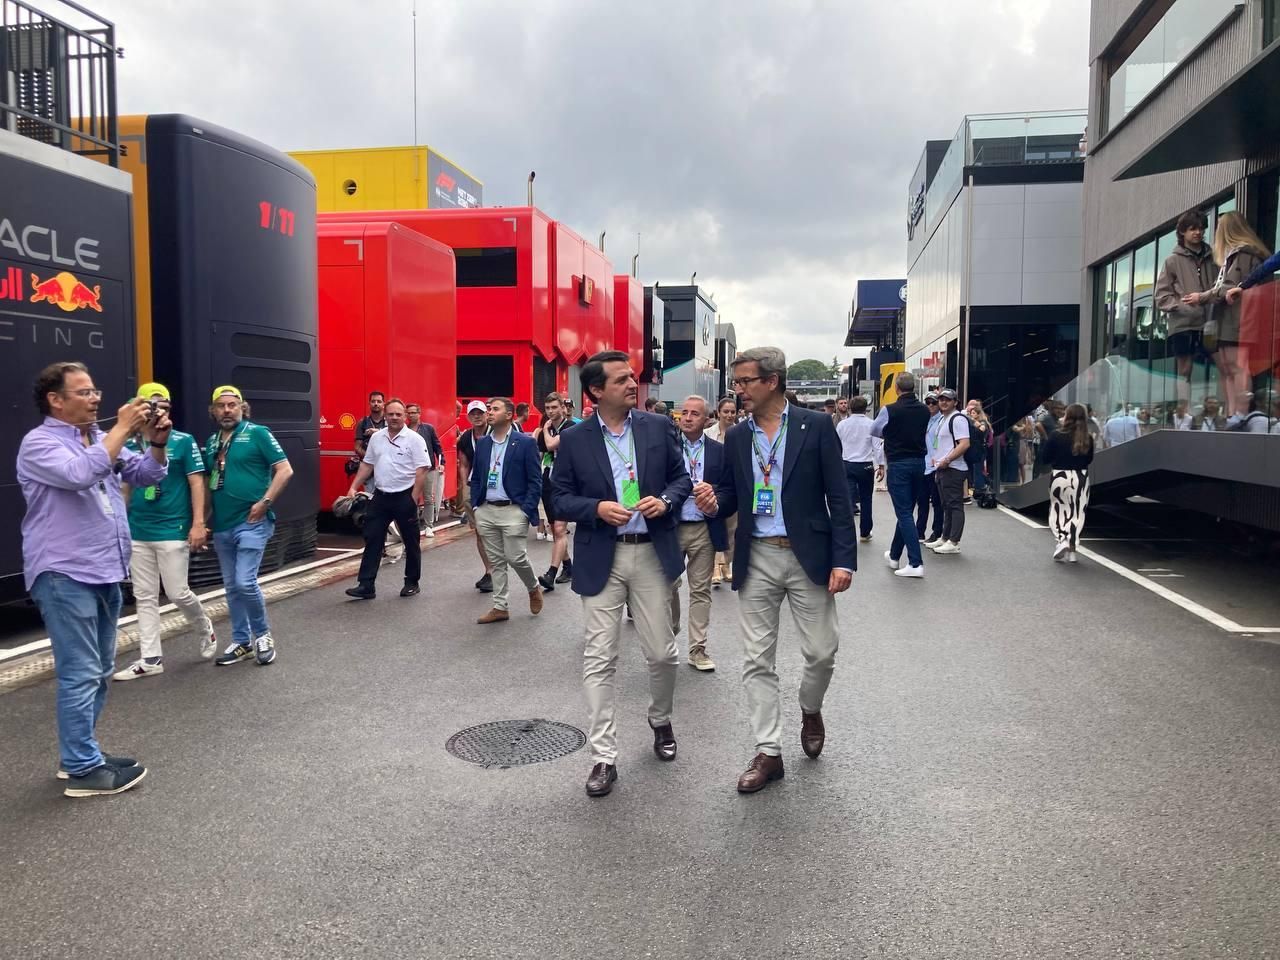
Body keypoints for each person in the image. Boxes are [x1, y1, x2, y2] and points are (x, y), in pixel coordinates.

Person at [700, 346, 855, 794]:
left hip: (809, 555)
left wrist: (844, 559)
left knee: (823, 651)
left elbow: (839, 497)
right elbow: (732, 494)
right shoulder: (739, 436)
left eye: (746, 381)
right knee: (756, 659)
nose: (739, 390)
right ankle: (768, 752)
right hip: (758, 555)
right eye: (737, 382)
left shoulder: (818, 426)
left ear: (772, 381)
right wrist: (715, 502)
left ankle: (810, 707)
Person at [19, 362, 169, 797]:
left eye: (95, 389)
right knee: (80, 672)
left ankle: (80, 755)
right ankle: (83, 770)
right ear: (56, 400)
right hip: (65, 572)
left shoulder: (100, 438)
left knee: (99, 669)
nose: (96, 398)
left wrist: (156, 443)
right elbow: (79, 474)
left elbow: (145, 475)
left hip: (104, 570)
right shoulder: (39, 443)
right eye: (84, 392)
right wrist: (122, 428)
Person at [551, 350, 691, 799]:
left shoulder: (657, 427)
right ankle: (603, 756)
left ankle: (659, 717)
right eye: (622, 380)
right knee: (599, 657)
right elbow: (558, 498)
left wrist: (666, 501)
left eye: (633, 377)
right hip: (602, 557)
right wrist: (594, 509)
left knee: (663, 653)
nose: (633, 384)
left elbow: (681, 478)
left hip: (651, 553)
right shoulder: (574, 440)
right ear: (595, 391)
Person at [113, 382, 216, 681]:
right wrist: (118, 528)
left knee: (177, 592)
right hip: (138, 529)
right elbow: (124, 488)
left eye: (166, 407)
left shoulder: (182, 441)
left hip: (173, 527)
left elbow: (197, 482)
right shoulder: (128, 443)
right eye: (154, 406)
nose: (160, 413)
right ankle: (151, 658)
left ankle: (204, 628)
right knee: (144, 595)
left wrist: (198, 523)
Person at [205, 385, 293, 667]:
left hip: (252, 521)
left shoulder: (258, 433)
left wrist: (264, 502)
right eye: (221, 405)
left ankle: (263, 635)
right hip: (222, 525)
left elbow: (285, 469)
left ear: (242, 407)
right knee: (231, 586)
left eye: (232, 405)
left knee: (245, 581)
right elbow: (210, 483)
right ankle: (241, 641)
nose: (227, 410)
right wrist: (201, 521)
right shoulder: (211, 441)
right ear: (213, 410)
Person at [344, 399, 429, 601]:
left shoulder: (415, 439)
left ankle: (411, 582)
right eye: (390, 414)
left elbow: (422, 470)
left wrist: (413, 497)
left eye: (398, 414)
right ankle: (366, 585)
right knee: (373, 538)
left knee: (411, 541)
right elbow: (367, 464)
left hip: (404, 496)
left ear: (404, 416)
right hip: (381, 496)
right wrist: (353, 486)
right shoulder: (377, 438)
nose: (394, 418)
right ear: (385, 415)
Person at [668, 395, 728, 673]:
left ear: (707, 420)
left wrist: (714, 496)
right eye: (685, 412)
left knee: (701, 590)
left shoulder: (718, 451)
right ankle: (670, 635)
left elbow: (730, 488)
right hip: (672, 526)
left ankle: (697, 648)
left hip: (704, 527)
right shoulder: (666, 448)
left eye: (695, 414)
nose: (688, 417)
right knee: (667, 586)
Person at [472, 397, 543, 624]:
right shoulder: (483, 443)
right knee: (496, 561)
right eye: (489, 409)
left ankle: (533, 587)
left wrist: (526, 510)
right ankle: (500, 606)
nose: (489, 413)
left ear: (510, 414)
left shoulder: (525, 442)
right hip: (487, 510)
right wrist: (476, 505)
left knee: (515, 556)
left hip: (514, 510)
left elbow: (535, 480)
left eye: (495, 409)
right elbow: (477, 477)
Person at [1193, 212, 1271, 413]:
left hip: (1239, 319)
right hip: (1228, 319)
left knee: (1237, 367)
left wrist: (1203, 296)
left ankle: (1240, 413)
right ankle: (1232, 411)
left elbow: (1230, 287)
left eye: (1219, 227)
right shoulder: (1232, 256)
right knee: (1227, 369)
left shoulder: (1244, 254)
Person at [871, 371, 931, 578]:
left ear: (896, 388)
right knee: (906, 510)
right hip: (919, 463)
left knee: (903, 512)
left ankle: (915, 563)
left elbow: (875, 430)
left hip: (898, 463)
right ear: (913, 387)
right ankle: (895, 555)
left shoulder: (890, 410)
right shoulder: (925, 410)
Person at [1155, 210, 1216, 406]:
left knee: (1215, 368)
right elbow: (1161, 296)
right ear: (1182, 232)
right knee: (1185, 370)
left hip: (1210, 322)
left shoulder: (1213, 257)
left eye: (1200, 228)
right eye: (1192, 229)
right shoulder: (1172, 261)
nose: (1198, 233)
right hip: (1183, 324)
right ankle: (1183, 411)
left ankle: (1211, 409)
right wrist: (1181, 306)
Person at [1042, 403, 1094, 563]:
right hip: (1080, 477)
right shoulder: (1088, 438)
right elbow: (1089, 459)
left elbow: (1046, 457)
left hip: (1060, 476)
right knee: (1077, 513)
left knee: (1058, 511)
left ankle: (1062, 539)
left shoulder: (1056, 435)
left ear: (1067, 416)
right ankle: (1072, 549)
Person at [534, 392, 575, 592]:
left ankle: (551, 573)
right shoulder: (548, 428)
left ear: (563, 408)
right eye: (547, 408)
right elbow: (542, 452)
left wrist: (544, 429)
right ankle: (568, 566)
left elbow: (551, 444)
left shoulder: (571, 428)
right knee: (554, 527)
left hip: (567, 483)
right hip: (549, 480)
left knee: (559, 529)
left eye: (554, 407)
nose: (550, 411)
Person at [925, 388, 970, 555]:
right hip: (942, 467)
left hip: (953, 468)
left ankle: (954, 541)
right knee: (946, 505)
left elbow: (964, 444)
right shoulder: (945, 419)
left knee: (954, 505)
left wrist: (947, 459)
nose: (943, 402)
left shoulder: (957, 419)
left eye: (948, 400)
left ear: (955, 402)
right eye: (941, 400)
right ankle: (945, 537)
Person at [456, 400, 494, 593]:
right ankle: (489, 571)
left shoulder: (496, 433)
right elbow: (463, 464)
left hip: (495, 487)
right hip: (474, 487)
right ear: (468, 416)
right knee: (479, 531)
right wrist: (464, 488)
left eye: (480, 413)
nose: (477, 416)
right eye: (473, 413)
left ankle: (496, 569)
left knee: (493, 531)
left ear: (486, 414)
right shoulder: (465, 438)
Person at [835, 395, 881, 542]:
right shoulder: (872, 424)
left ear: (850, 408)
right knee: (866, 499)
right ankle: (865, 532)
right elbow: (877, 447)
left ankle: (846, 532)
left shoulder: (842, 425)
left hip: (846, 463)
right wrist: (880, 465)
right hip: (866, 465)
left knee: (847, 499)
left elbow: (836, 445)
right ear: (866, 408)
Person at [704, 396, 739, 584]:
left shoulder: (742, 433)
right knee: (717, 528)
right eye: (726, 411)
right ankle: (715, 568)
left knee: (732, 531)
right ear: (718, 413)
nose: (729, 415)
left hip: (734, 488)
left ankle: (726, 565)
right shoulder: (708, 433)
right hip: (713, 487)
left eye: (733, 412)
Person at [406, 403, 444, 533]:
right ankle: (413, 524)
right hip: (410, 469)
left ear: (419, 413)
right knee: (412, 497)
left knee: (428, 497)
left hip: (428, 467)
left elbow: (437, 446)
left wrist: (441, 462)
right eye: (409, 413)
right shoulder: (404, 429)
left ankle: (429, 526)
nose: (411, 415)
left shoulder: (428, 428)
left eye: (413, 412)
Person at [918, 393, 944, 547]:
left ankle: (937, 531)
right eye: (927, 403)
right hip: (922, 464)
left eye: (933, 403)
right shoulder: (923, 420)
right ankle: (919, 530)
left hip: (936, 464)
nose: (930, 405)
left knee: (937, 502)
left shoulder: (942, 420)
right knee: (921, 501)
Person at [964, 399, 993, 499]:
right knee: (975, 470)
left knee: (978, 470)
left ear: (978, 414)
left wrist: (975, 422)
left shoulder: (982, 422)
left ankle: (980, 489)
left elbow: (982, 430)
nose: (971, 415)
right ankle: (977, 488)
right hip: (975, 448)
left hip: (979, 449)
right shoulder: (975, 422)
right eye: (971, 413)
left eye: (973, 413)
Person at [354, 390, 387, 460]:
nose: (376, 404)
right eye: (373, 401)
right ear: (369, 403)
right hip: (367, 464)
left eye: (379, 401)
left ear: (384, 404)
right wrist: (370, 458)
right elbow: (357, 447)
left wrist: (378, 432)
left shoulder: (389, 421)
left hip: (386, 463)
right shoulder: (363, 422)